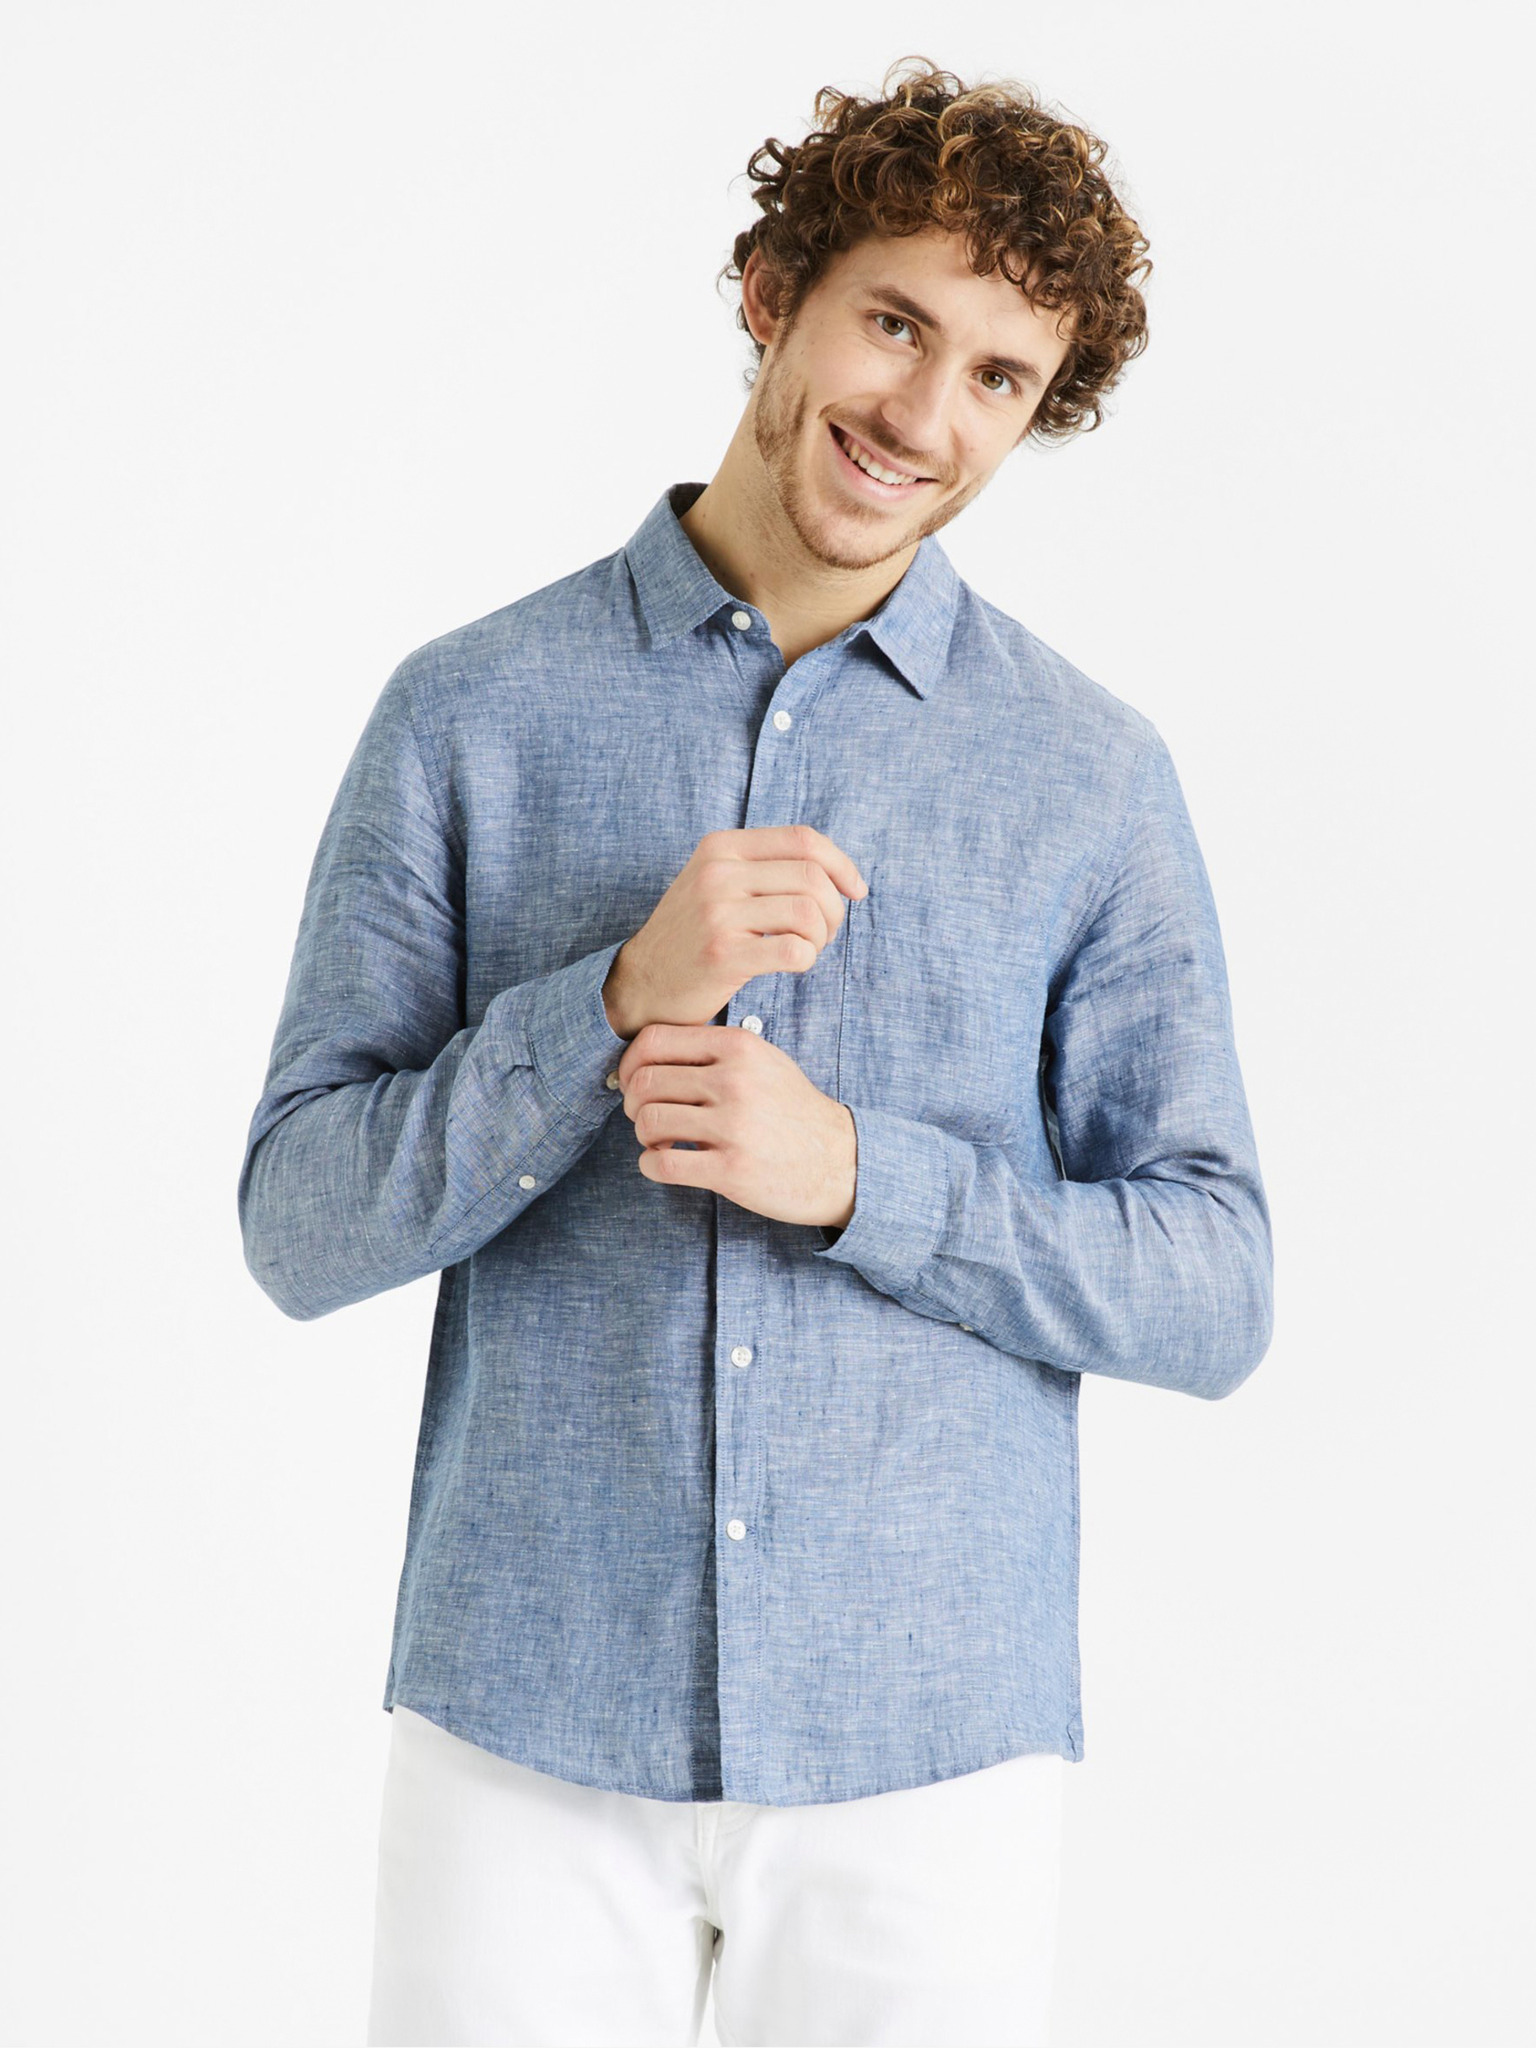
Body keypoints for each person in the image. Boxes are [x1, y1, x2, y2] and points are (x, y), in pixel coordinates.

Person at [237, 54, 1274, 2048]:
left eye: (998, 376)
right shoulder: (469, 714)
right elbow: (299, 1222)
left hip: (929, 1750)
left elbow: (1217, 1283)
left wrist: (864, 1179)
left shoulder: (1087, 776)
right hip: (529, 1725)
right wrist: (607, 1006)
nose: (925, 415)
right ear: (772, 290)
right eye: (895, 323)